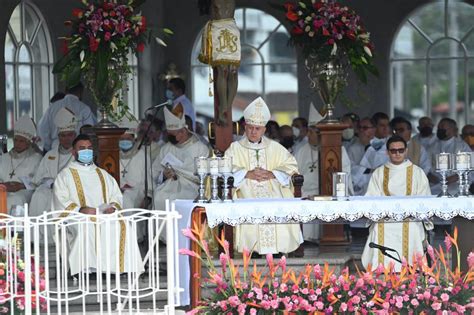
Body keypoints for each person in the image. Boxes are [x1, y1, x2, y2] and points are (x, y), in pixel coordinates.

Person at [52, 134, 144, 276]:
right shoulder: (65, 175)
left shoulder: (102, 174)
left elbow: (116, 195)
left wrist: (112, 207)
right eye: (82, 148)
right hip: (77, 216)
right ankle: (87, 269)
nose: (86, 151)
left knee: (122, 224)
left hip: (103, 214)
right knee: (88, 226)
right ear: (74, 152)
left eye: (89, 148)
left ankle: (119, 268)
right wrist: (81, 209)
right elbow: (61, 199)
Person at [224, 97, 303, 255]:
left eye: (257, 128)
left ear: (264, 130)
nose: (253, 132)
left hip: (272, 188)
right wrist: (246, 173)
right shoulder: (235, 148)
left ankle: (278, 251)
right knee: (248, 207)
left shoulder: (275, 147)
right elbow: (225, 169)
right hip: (245, 190)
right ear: (245, 128)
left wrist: (272, 173)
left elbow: (292, 166)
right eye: (250, 128)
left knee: (279, 205)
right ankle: (252, 251)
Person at [362, 135, 432, 271]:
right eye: (393, 151)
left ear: (406, 151)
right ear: (387, 152)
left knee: (413, 229)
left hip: (411, 219)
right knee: (377, 228)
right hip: (384, 219)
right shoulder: (379, 173)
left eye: (400, 150)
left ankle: (413, 267)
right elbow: (370, 199)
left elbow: (425, 199)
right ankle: (380, 268)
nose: (397, 154)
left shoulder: (417, 172)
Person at [294, 104, 352, 242]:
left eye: (314, 132)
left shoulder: (339, 150)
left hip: (329, 196)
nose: (310, 135)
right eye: (310, 132)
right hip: (306, 197)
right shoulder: (301, 151)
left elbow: (345, 177)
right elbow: (293, 176)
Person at [152, 104, 210, 216]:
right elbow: (154, 172)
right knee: (158, 196)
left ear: (183, 131)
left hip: (191, 187)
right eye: (168, 135)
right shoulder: (166, 148)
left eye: (172, 135)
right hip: (168, 186)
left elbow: (204, 176)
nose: (170, 138)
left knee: (177, 200)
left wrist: (180, 172)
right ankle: (163, 234)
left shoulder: (200, 148)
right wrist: (163, 175)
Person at [29, 108, 76, 218]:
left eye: (69, 135)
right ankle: (38, 234)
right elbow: (37, 180)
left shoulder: (79, 155)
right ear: (59, 137)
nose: (66, 139)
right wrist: (47, 182)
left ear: (74, 135)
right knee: (38, 195)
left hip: (68, 193)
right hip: (49, 191)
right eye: (63, 136)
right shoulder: (50, 155)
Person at [37, 82, 97, 152]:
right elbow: (90, 132)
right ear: (81, 92)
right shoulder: (84, 108)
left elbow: (42, 129)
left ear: (65, 91)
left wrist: (48, 147)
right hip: (77, 149)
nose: (66, 139)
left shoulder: (52, 107)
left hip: (55, 148)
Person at [0, 116, 42, 213]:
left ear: (28, 143)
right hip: (3, 189)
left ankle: (16, 228)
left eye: (21, 141)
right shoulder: (4, 158)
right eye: (16, 140)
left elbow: (39, 181)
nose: (17, 144)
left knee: (16, 200)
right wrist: (3, 185)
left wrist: (21, 186)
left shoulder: (36, 158)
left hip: (24, 191)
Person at [428, 118, 472, 195]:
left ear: (452, 129)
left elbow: (470, 168)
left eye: (442, 127)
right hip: (434, 185)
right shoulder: (432, 146)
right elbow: (426, 166)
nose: (440, 129)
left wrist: (456, 177)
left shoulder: (461, 146)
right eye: (438, 128)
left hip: (456, 185)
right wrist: (429, 176)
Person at [117, 114, 151, 209]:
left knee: (126, 199)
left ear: (133, 139)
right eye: (122, 139)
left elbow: (148, 180)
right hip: (117, 190)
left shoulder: (142, 155)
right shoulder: (113, 155)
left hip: (137, 192)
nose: (124, 141)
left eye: (128, 139)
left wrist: (147, 198)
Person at [348, 117, 375, 195]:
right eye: (360, 127)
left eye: (365, 128)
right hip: (359, 191)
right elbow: (350, 168)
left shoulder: (381, 147)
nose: (361, 130)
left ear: (374, 129)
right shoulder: (352, 149)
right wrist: (369, 170)